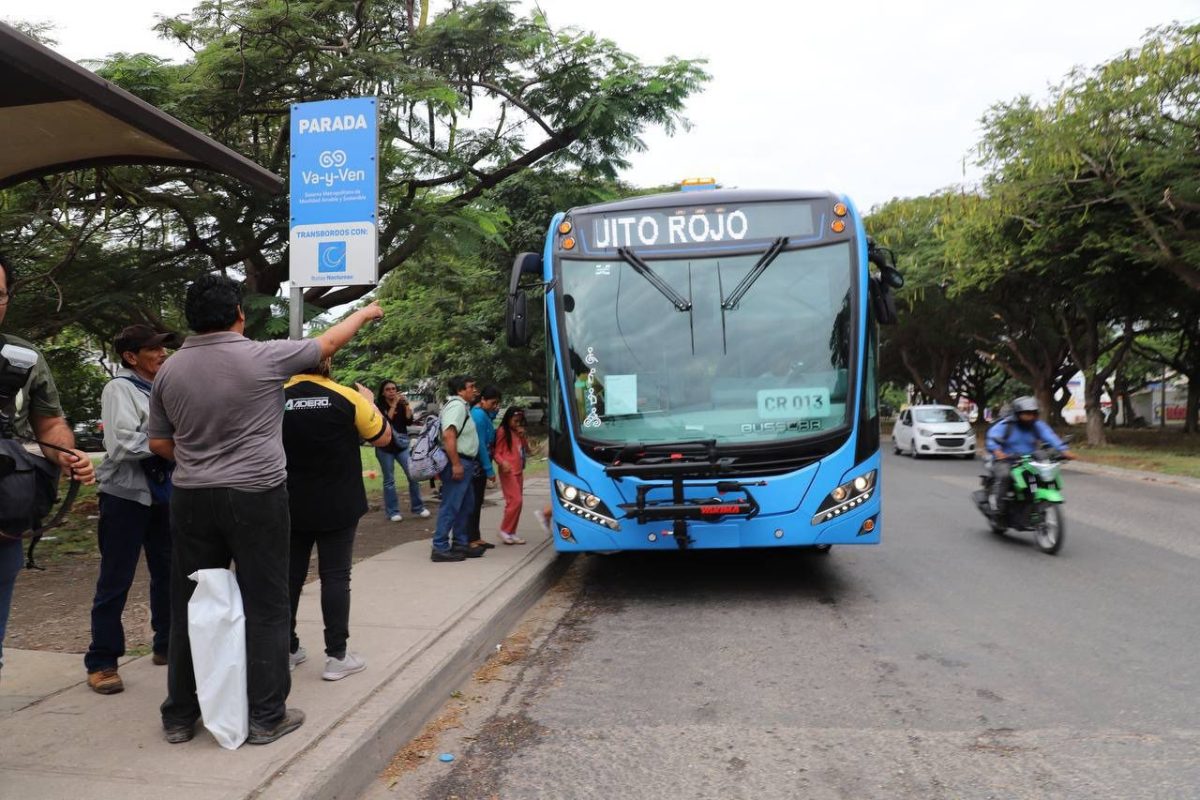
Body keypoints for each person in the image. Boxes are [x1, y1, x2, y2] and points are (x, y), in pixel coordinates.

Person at [147, 274, 383, 745]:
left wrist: (201, 461)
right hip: (256, 496)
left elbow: (158, 442)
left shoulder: (168, 371)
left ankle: (179, 715)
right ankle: (266, 715)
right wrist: (366, 310)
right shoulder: (262, 356)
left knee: (193, 603)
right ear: (238, 312)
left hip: (192, 499)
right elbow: (329, 341)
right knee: (267, 604)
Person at [0, 252, 96, 685]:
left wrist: (66, 456)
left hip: (4, 523)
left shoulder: (22, 357)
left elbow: (50, 423)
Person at [84, 324, 179, 695]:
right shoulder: (119, 388)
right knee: (115, 579)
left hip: (163, 494)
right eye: (154, 349)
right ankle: (102, 661)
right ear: (131, 356)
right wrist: (171, 445)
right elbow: (121, 443)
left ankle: (166, 645)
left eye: (163, 348)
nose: (163, 354)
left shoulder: (163, 388)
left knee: (169, 573)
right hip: (126, 497)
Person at [282, 358, 391, 682]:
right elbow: (383, 438)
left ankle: (285, 651)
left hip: (289, 504)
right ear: (327, 361)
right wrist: (371, 404)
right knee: (335, 578)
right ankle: (337, 657)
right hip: (338, 504)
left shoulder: (274, 397)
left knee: (288, 578)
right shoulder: (348, 396)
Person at [983, 395, 1075, 516]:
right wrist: (997, 451)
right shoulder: (1006, 425)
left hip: (1029, 460)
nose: (1030, 416)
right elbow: (992, 438)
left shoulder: (1037, 425)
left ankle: (1030, 503)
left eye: (1033, 413)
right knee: (1005, 476)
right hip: (1006, 460)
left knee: (1043, 472)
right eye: (1026, 413)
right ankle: (996, 506)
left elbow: (1050, 436)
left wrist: (1063, 450)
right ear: (1017, 413)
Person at [430, 375, 481, 562]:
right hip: (458, 462)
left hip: (465, 462)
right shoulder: (456, 406)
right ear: (460, 390)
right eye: (471, 386)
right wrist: (457, 464)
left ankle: (461, 543)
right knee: (451, 505)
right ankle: (440, 546)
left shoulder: (462, 406)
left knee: (466, 505)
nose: (475, 390)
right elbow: (449, 435)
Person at [374, 380, 429, 522]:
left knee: (413, 475)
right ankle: (393, 512)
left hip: (401, 445)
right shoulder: (378, 405)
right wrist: (393, 405)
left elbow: (409, 422)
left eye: (394, 389)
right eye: (388, 389)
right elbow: (386, 422)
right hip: (385, 447)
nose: (392, 391)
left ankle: (418, 508)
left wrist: (406, 406)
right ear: (383, 392)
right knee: (389, 480)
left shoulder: (400, 403)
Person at [466, 386, 501, 550]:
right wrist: (489, 470)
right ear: (483, 400)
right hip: (477, 464)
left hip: (480, 461)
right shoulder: (478, 416)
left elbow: (489, 422)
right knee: (473, 502)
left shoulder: (482, 413)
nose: (495, 406)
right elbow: (480, 444)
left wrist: (493, 412)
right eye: (493, 403)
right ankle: (470, 537)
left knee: (477, 501)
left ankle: (475, 536)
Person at [492, 406, 530, 545]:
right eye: (515, 421)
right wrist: (502, 463)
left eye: (519, 421)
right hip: (509, 471)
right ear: (508, 419)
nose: (517, 424)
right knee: (516, 501)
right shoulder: (503, 431)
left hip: (519, 470)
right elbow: (496, 452)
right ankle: (504, 530)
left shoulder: (517, 432)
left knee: (517, 503)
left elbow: (527, 449)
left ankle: (511, 531)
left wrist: (522, 436)